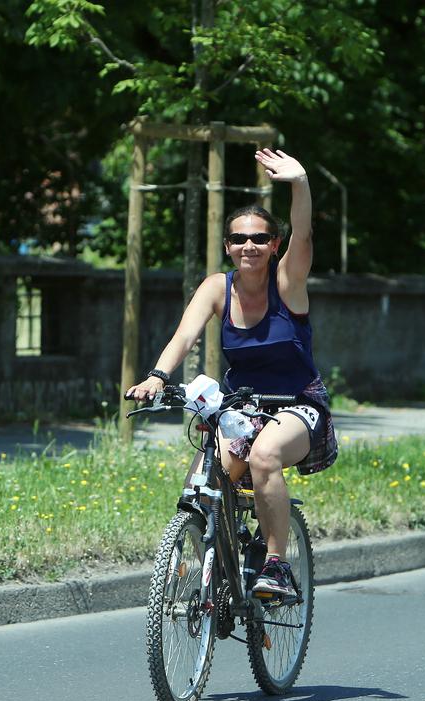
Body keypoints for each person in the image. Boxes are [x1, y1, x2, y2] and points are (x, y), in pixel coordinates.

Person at [126, 148, 338, 599]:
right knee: (202, 482)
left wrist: (299, 183)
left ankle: (277, 565)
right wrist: (158, 377)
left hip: (298, 404)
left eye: (260, 239)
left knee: (264, 457)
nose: (249, 247)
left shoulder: (288, 283)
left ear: (273, 245)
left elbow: (303, 233)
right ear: (227, 245)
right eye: (239, 239)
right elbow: (184, 337)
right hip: (242, 404)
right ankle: (208, 566)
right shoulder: (216, 288)